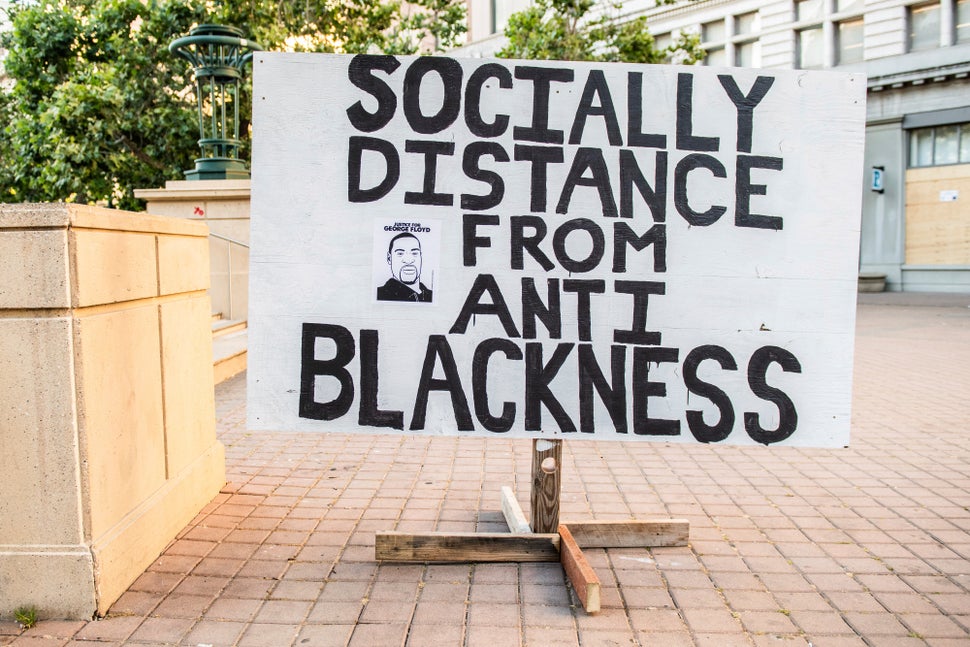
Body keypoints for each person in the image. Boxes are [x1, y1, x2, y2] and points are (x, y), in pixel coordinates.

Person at [377, 232, 433, 302]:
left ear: (420, 257)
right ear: (389, 258)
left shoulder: (432, 296)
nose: (408, 260)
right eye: (400, 253)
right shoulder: (380, 295)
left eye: (414, 253)